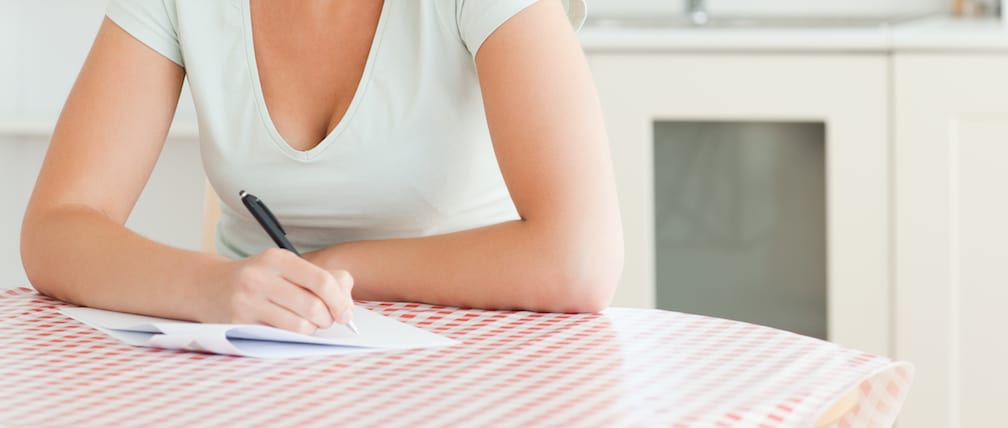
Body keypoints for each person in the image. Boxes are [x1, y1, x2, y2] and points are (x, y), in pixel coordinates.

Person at [20, 0, 623, 335]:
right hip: (268, 355)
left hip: (485, 356)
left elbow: (580, 258)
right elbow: (57, 227)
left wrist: (334, 268)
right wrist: (212, 286)